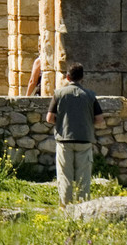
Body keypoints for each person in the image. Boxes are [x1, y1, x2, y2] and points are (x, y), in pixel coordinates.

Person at [45, 63, 104, 207]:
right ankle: (83, 207)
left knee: (65, 175)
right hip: (84, 139)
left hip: (65, 139)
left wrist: (62, 123)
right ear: (82, 77)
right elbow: (100, 120)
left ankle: (66, 207)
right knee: (84, 177)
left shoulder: (59, 94)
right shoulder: (90, 95)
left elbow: (49, 118)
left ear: (67, 77)